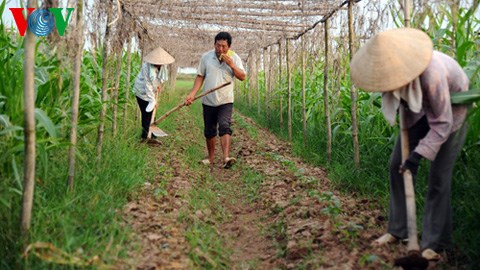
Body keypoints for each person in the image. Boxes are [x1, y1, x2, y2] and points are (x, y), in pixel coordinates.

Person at [350, 28, 469, 261]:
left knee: (438, 177)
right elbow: (402, 102)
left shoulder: (432, 74)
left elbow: (442, 123)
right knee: (397, 165)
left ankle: (436, 242)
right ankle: (398, 230)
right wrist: (408, 158)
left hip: (450, 111)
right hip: (417, 109)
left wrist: (418, 156)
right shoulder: (393, 78)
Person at [184, 31, 246, 168]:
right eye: (218, 46)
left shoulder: (234, 58)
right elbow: (200, 76)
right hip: (208, 99)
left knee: (224, 126)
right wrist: (192, 93)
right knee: (209, 130)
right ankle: (211, 158)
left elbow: (242, 77)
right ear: (214, 44)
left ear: (229, 47)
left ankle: (226, 158)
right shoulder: (206, 57)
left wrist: (232, 65)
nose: (220, 49)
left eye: (224, 46)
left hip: (226, 100)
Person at [134, 46, 175, 141]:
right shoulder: (146, 67)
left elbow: (160, 79)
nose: (158, 64)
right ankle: (145, 136)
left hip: (152, 90)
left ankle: (151, 135)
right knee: (146, 113)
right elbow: (147, 84)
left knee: (152, 113)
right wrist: (152, 100)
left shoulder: (163, 67)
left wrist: (158, 87)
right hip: (141, 91)